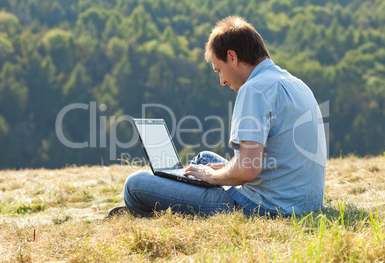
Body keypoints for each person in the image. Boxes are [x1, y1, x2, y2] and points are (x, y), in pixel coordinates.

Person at [106, 16, 326, 219]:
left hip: (266, 206)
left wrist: (213, 177)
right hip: (301, 199)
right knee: (203, 159)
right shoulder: (294, 83)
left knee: (134, 185)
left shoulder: (254, 90)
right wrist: (215, 171)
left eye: (219, 70)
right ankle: (181, 191)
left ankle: (171, 206)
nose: (221, 81)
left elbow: (248, 169)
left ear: (232, 57)